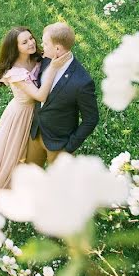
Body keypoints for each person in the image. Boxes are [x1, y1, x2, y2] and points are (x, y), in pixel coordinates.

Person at [0, 26, 71, 195]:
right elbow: (40, 96)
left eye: (31, 38)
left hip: (35, 114)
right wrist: (53, 67)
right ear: (16, 48)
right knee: (12, 152)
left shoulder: (36, 59)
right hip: (20, 115)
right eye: (24, 42)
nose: (31, 43)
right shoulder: (16, 72)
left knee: (28, 153)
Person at [26, 22, 98, 167]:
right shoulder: (46, 60)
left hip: (59, 145)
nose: (42, 46)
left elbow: (91, 119)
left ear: (57, 49)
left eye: (45, 43)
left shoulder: (82, 82)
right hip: (36, 134)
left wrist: (69, 147)